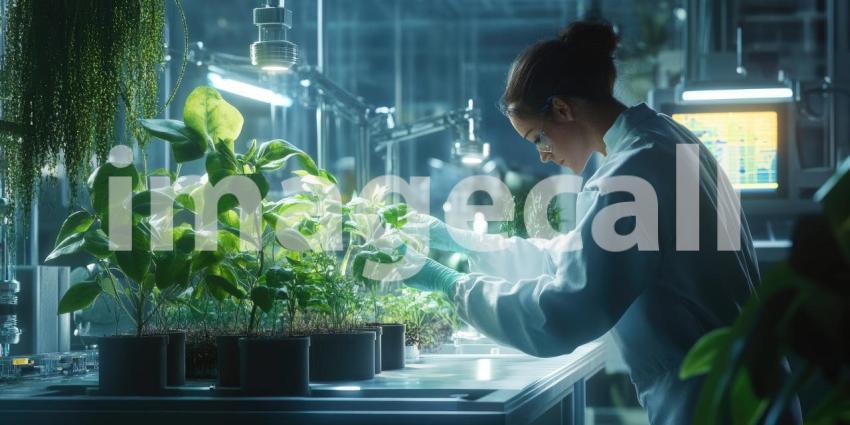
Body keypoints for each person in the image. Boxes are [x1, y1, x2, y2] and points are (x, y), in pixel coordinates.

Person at [391, 20, 803, 425]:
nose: (543, 156)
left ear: (563, 109)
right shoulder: (662, 141)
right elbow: (570, 259)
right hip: (742, 391)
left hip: (715, 403)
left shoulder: (632, 173)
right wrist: (462, 242)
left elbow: (562, 314)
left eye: (538, 138)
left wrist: (447, 284)